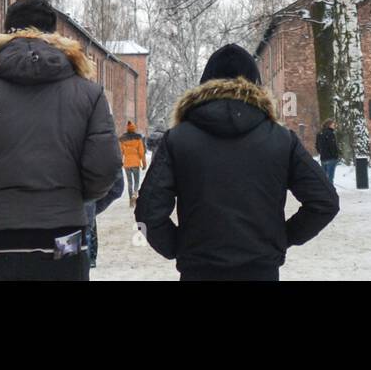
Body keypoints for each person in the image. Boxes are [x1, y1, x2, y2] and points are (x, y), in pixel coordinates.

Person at [0, 0, 122, 281]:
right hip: (64, 236)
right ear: (54, 35)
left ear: (6, 34)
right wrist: (77, 195)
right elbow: (106, 167)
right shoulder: (88, 93)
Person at [135, 44, 339, 281]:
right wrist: (281, 238)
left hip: (198, 270)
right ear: (257, 86)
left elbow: (148, 212)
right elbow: (325, 202)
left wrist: (178, 247)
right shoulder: (282, 140)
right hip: (260, 270)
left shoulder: (178, 139)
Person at [119, 121, 147, 207]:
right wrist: (144, 163)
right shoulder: (138, 138)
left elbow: (120, 152)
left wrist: (120, 162)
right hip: (136, 163)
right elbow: (141, 152)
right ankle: (135, 193)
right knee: (136, 181)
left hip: (127, 163)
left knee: (130, 182)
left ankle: (131, 199)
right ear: (134, 129)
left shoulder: (122, 139)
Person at [315, 120, 339, 185]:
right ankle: (330, 192)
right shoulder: (330, 134)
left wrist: (321, 152)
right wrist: (335, 155)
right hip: (331, 158)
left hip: (323, 158)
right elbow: (332, 146)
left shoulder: (319, 133)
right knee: (330, 178)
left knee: (324, 177)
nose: (334, 126)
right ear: (329, 125)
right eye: (333, 124)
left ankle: (324, 191)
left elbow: (317, 145)